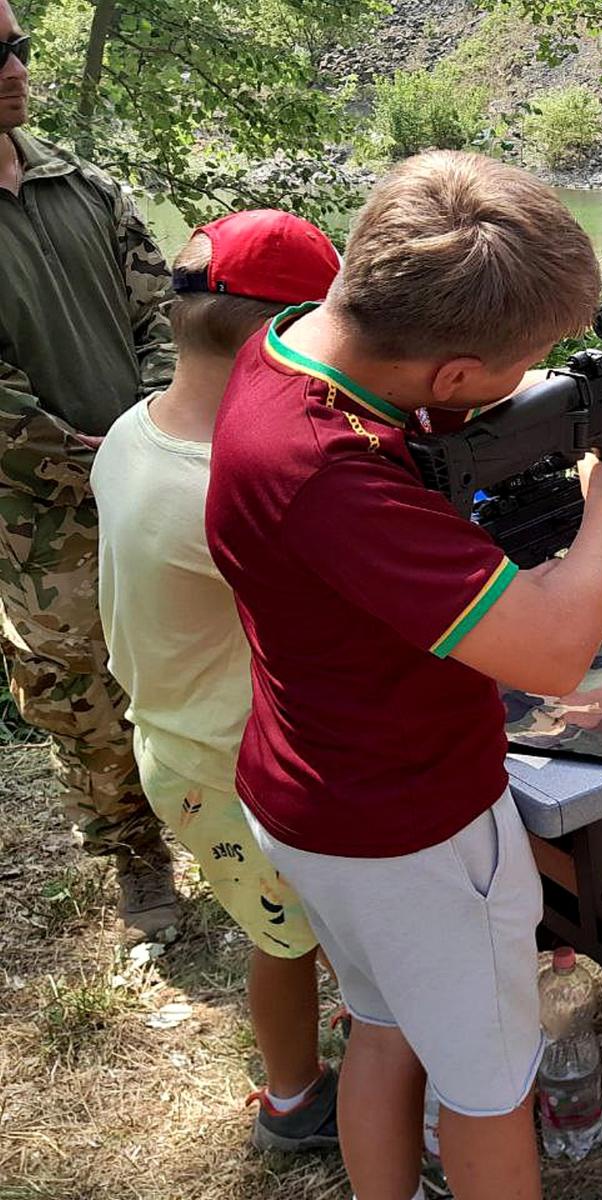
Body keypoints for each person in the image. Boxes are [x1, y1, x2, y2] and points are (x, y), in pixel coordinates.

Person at [205, 150, 602, 1200]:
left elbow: (453, 422)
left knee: (383, 1027)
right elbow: (552, 650)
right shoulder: (331, 472)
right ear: (455, 378)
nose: (539, 371)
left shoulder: (289, 354)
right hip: (410, 826)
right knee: (489, 1087)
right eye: (532, 358)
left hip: (316, 790)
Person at [92, 211, 343, 1152]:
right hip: (225, 764)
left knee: (295, 925)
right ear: (286, 335)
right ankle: (292, 1098)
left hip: (178, 735)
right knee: (285, 938)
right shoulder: (228, 487)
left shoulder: (133, 432)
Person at [0, 0, 180, 939]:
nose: (15, 68)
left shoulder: (84, 185)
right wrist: (88, 460)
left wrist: (150, 422)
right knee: (78, 690)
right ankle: (136, 857)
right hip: (36, 519)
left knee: (197, 645)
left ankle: (236, 816)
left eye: (18, 46)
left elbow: (162, 311)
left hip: (148, 476)